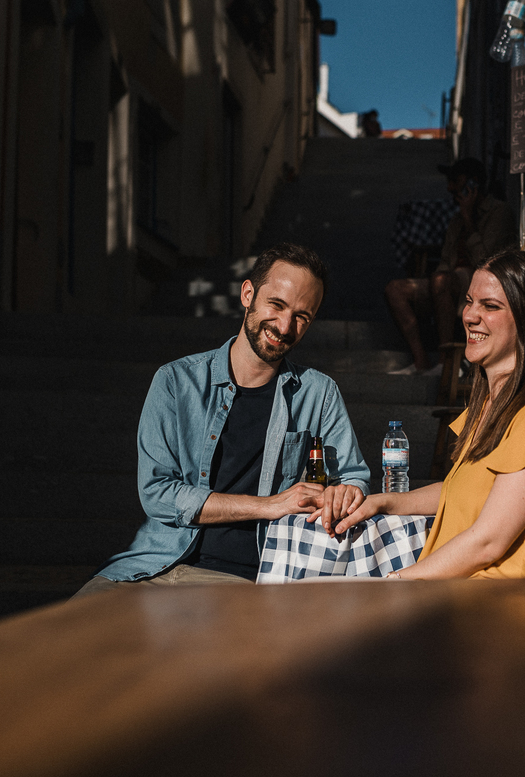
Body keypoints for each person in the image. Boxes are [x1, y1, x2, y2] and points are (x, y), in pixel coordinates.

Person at [74, 244, 370, 597]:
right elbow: (157, 494)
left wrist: (344, 494)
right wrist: (269, 506)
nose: (285, 326)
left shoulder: (318, 394)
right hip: (150, 565)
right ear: (248, 294)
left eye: (302, 317)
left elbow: (354, 479)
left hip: (240, 578)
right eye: (276, 305)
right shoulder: (175, 382)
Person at [330, 249, 525, 578]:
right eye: (469, 301)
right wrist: (382, 501)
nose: (469, 316)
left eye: (490, 306)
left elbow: (488, 541)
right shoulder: (490, 407)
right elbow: (457, 492)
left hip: (507, 614)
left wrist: (397, 583)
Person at [385, 157, 518, 375]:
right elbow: (446, 260)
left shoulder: (498, 212)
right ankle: (421, 361)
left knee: (441, 281)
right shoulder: (456, 219)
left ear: (473, 183)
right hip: (450, 281)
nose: (450, 187)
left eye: (455, 181)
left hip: (481, 282)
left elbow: (487, 263)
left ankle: (445, 362)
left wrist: (468, 219)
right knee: (395, 289)